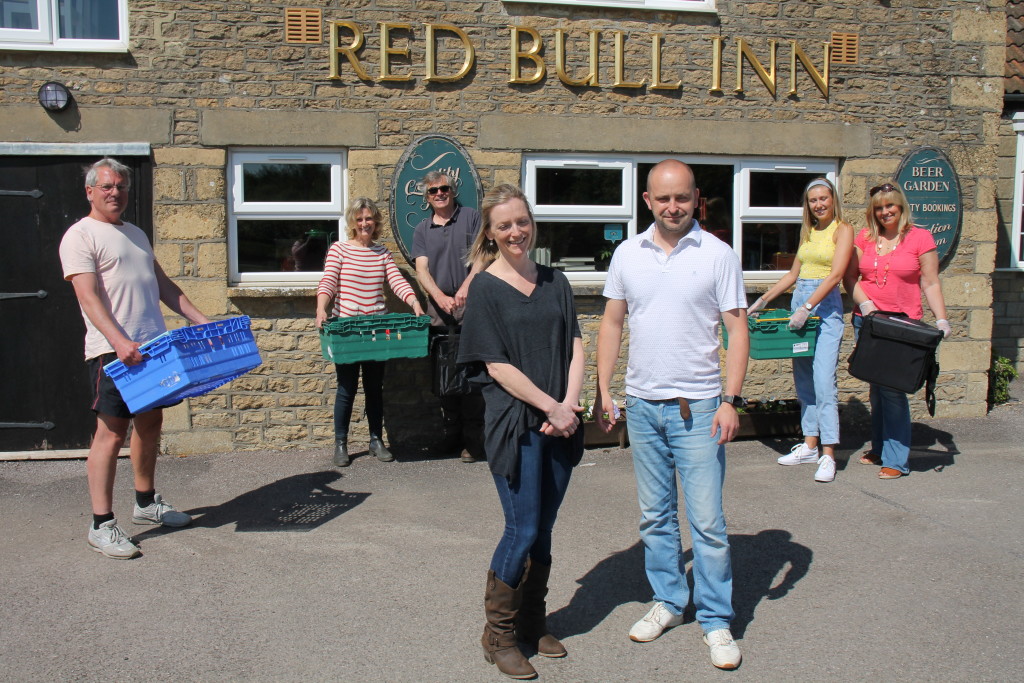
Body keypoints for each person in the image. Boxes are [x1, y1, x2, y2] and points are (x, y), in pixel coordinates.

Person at [595, 160, 748, 671]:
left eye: (681, 198)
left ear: (697, 198)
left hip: (700, 406)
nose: (673, 207)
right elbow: (612, 324)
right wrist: (603, 389)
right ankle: (668, 600)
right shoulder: (626, 254)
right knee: (656, 517)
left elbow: (737, 330)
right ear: (647, 201)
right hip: (642, 406)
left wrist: (732, 399)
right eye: (663, 199)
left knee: (706, 522)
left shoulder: (718, 255)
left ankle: (715, 619)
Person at [458, 184, 585, 679]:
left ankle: (534, 622)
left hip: (561, 423)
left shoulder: (556, 281)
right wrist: (551, 405)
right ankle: (499, 635)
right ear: (490, 233)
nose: (516, 231)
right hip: (518, 426)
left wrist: (569, 406)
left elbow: (575, 342)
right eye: (504, 225)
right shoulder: (486, 287)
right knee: (523, 527)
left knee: (545, 528)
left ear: (532, 223)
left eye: (522, 221)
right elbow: (494, 365)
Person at [59, 157, 211, 560]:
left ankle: (145, 503)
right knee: (110, 434)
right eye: (107, 186)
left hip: (153, 348)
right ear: (90, 191)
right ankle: (101, 524)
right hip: (114, 352)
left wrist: (201, 321)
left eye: (121, 187)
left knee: (151, 422)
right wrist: (119, 341)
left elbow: (163, 284)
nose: (115, 193)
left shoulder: (137, 234)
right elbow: (87, 296)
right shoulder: (80, 235)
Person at [747, 178, 854, 483]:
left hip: (823, 310)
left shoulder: (842, 229)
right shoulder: (808, 232)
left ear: (833, 199)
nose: (819, 204)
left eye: (824, 198)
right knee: (804, 380)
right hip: (799, 308)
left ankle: (828, 453)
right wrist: (763, 300)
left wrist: (807, 307)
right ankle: (809, 444)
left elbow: (835, 276)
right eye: (813, 200)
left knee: (824, 383)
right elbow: (794, 273)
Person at [843, 182, 951, 479]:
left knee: (892, 391)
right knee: (876, 388)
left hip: (901, 326)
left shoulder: (920, 238)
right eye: (878, 207)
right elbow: (850, 278)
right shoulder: (865, 238)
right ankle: (880, 447)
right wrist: (865, 305)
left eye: (890, 205)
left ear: (901, 206)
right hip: (868, 322)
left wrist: (941, 319)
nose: (884, 211)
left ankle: (897, 459)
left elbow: (930, 282)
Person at [316, 197, 424, 467]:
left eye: (369, 218)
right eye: (359, 219)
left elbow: (396, 281)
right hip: (348, 329)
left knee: (375, 388)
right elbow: (329, 280)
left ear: (375, 222)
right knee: (346, 388)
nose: (365, 223)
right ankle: (341, 443)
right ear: (352, 222)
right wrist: (321, 308)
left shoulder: (382, 253)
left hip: (376, 329)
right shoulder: (339, 250)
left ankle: (376, 439)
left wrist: (414, 302)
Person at [411, 171, 486, 462]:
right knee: (445, 381)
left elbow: (482, 255)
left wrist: (467, 287)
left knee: (472, 380)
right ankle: (451, 437)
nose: (439, 194)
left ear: (452, 190)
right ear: (426, 197)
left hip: (472, 312)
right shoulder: (422, 229)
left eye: (444, 188)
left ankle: (473, 443)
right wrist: (439, 297)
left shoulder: (471, 218)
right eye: (433, 191)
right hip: (440, 317)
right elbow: (421, 269)